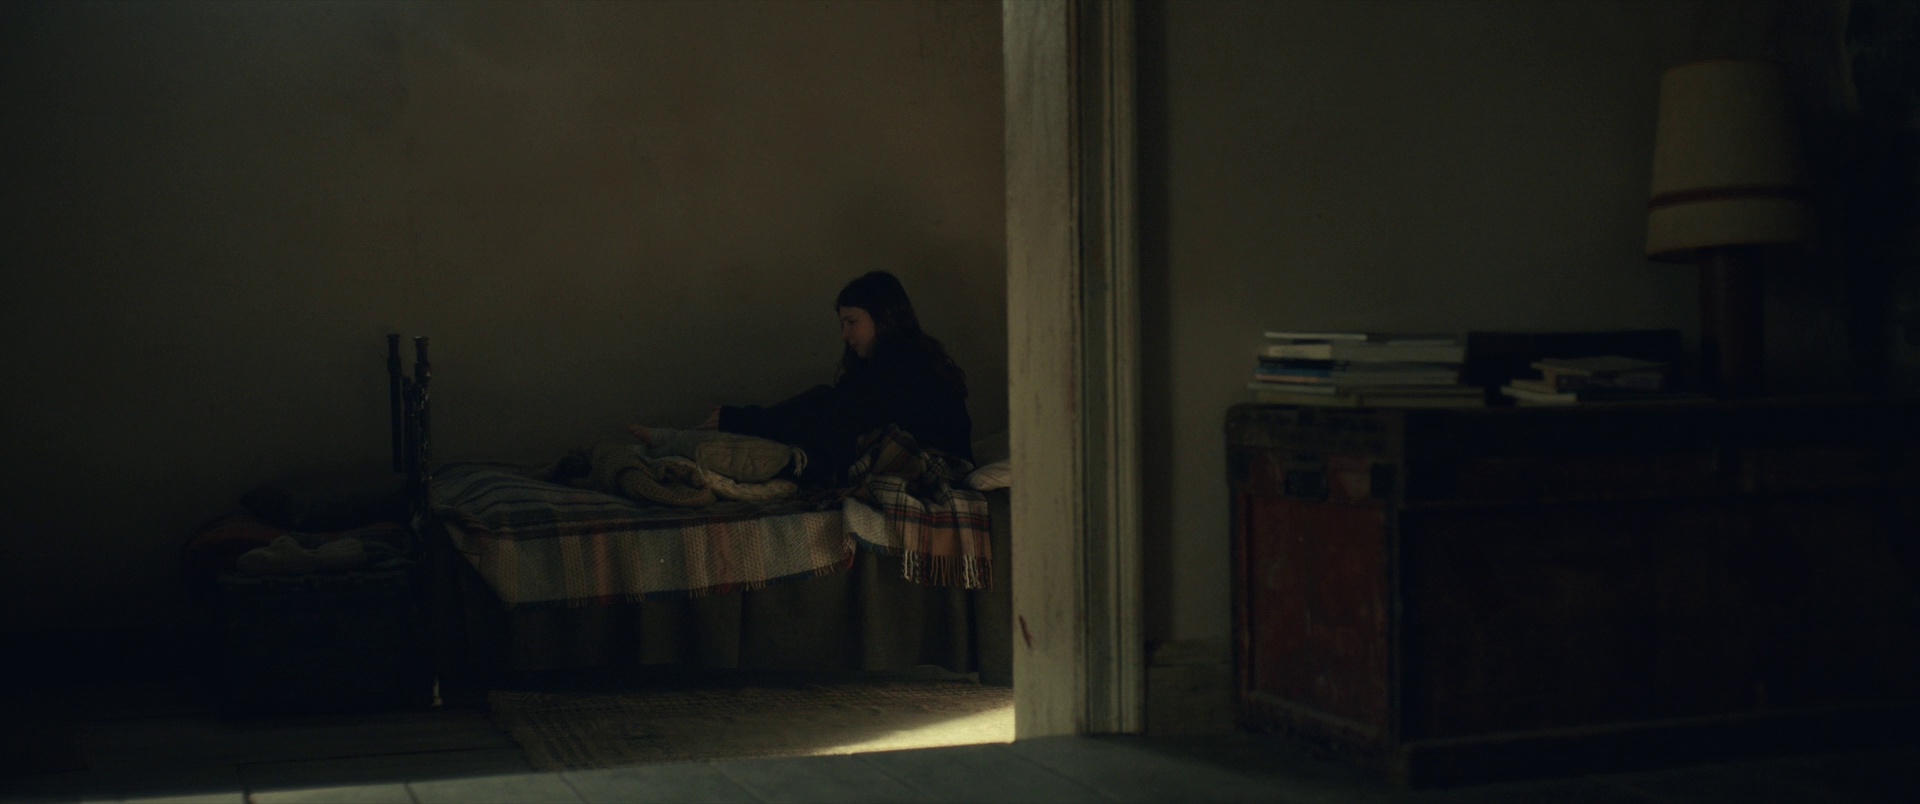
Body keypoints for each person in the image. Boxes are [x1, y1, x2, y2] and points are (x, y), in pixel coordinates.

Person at [635, 271, 973, 488]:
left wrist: (744, 418)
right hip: (888, 447)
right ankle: (684, 441)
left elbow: (841, 417)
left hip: (932, 463)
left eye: (852, 322)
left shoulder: (908, 362)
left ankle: (682, 442)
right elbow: (841, 413)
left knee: (811, 431)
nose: (844, 335)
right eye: (842, 324)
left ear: (883, 319)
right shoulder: (883, 364)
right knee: (815, 417)